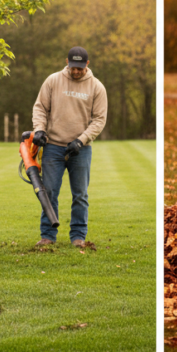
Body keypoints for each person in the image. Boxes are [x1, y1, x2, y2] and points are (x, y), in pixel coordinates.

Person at [31, 46, 108, 247]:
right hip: (53, 147)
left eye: (80, 68)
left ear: (87, 65)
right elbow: (40, 108)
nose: (76, 71)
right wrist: (39, 129)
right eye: (73, 67)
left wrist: (81, 140)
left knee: (80, 195)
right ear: (67, 62)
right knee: (49, 192)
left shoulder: (97, 87)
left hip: (80, 150)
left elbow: (99, 120)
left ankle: (78, 237)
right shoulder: (53, 81)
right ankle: (48, 235)